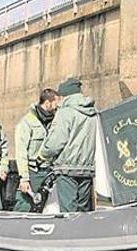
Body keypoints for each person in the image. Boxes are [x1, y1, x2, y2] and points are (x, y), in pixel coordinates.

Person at [37, 78, 98, 212]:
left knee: (69, 211)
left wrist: (43, 154)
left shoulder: (65, 113)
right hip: (87, 169)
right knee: (83, 211)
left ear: (64, 96)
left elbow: (55, 143)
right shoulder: (93, 113)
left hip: (66, 169)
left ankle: (70, 233)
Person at [12, 88, 58, 212]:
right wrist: (24, 178)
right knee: (24, 206)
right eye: (55, 103)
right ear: (47, 103)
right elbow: (21, 153)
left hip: (49, 172)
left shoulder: (54, 121)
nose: (57, 107)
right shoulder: (27, 123)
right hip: (32, 172)